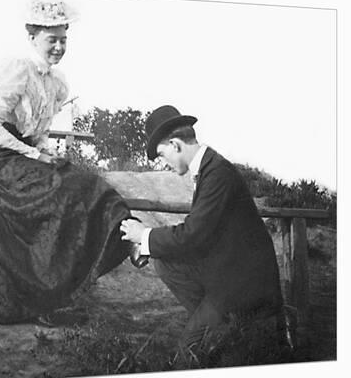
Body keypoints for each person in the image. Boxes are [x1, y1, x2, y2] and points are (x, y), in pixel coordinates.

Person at [0, 0, 141, 327]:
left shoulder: (56, 83)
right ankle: (39, 298)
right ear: (32, 38)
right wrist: (35, 154)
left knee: (86, 184)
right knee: (59, 196)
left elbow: (39, 131)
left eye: (63, 40)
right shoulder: (16, 70)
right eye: (51, 40)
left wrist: (46, 149)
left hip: (23, 152)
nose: (58, 47)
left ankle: (125, 235)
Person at [120, 105, 283, 357]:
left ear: (175, 145)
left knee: (188, 354)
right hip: (229, 271)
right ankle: (215, 325)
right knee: (164, 262)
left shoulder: (217, 174)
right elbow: (199, 234)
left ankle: (220, 327)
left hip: (244, 288)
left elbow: (194, 235)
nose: (164, 164)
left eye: (163, 155)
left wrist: (143, 235)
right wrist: (149, 245)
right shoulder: (209, 168)